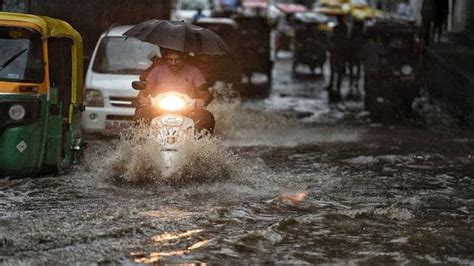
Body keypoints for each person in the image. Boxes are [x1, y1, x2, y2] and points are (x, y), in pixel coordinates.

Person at [135, 48, 215, 134]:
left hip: (187, 110)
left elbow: (205, 93)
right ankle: (143, 143)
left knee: (207, 117)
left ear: (184, 57)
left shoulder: (194, 71)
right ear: (166, 58)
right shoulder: (157, 70)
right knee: (141, 114)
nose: (173, 63)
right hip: (158, 109)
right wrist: (143, 98)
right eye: (170, 59)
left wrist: (202, 100)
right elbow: (144, 91)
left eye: (177, 60)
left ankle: (199, 145)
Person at [327, 15, 349, 102]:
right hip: (339, 52)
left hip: (338, 52)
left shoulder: (339, 28)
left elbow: (332, 38)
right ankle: (335, 86)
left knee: (335, 70)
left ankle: (333, 85)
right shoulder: (344, 28)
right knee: (337, 70)